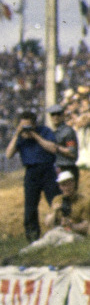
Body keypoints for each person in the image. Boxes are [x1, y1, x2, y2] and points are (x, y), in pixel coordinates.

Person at [6, 110, 60, 241]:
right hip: (31, 172)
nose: (26, 129)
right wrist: (17, 134)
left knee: (55, 201)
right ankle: (32, 235)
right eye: (23, 126)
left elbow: (53, 149)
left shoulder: (45, 131)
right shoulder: (20, 136)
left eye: (28, 125)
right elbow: (8, 154)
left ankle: (60, 228)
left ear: (34, 124)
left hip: (47, 170)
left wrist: (35, 136)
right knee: (30, 206)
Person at [19, 170, 89, 252]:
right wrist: (55, 212)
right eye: (63, 185)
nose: (67, 188)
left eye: (69, 184)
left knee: (70, 240)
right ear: (60, 187)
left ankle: (51, 251)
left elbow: (86, 226)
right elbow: (48, 223)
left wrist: (71, 225)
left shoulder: (84, 201)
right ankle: (23, 253)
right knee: (46, 240)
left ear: (74, 183)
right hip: (60, 230)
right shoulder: (57, 199)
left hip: (76, 233)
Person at [48, 103, 79, 190]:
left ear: (63, 116)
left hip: (67, 167)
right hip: (55, 169)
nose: (55, 117)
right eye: (53, 114)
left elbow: (72, 152)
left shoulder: (68, 131)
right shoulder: (50, 131)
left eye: (58, 114)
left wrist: (56, 147)